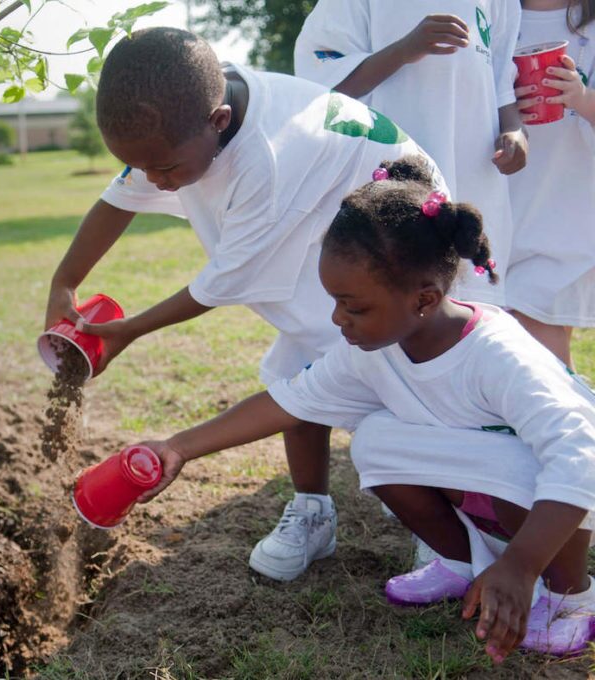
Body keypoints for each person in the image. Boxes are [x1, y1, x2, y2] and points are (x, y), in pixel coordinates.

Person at [132, 157, 595, 663]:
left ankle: (571, 597)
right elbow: (290, 402)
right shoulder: (374, 350)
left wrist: (523, 564)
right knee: (375, 441)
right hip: (502, 485)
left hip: (571, 493)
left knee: (525, 464)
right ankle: (462, 563)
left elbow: (579, 455)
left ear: (424, 299)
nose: (338, 319)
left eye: (354, 307)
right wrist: (177, 448)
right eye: (334, 301)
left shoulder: (499, 355)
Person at [45, 27, 443, 582]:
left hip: (397, 250)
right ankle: (313, 512)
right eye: (144, 169)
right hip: (331, 229)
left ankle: (448, 532)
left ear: (219, 123)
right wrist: (64, 281)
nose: (158, 184)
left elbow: (223, 281)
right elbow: (119, 197)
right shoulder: (178, 122)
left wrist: (124, 332)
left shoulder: (268, 156)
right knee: (296, 366)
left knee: (396, 390)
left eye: (168, 172)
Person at [294, 0, 528, 308]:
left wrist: (515, 132)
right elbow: (323, 87)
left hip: (476, 188)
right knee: (394, 308)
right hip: (391, 191)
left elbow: (501, 84)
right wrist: (404, 50)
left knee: (470, 320)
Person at [506, 0, 595, 367]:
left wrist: (581, 99)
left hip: (566, 215)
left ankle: (569, 423)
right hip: (502, 202)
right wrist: (505, 104)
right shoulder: (492, 14)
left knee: (534, 332)